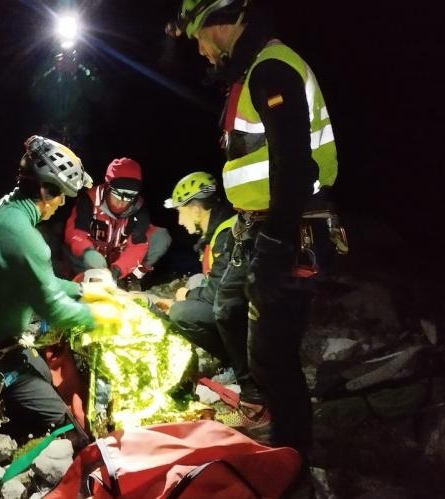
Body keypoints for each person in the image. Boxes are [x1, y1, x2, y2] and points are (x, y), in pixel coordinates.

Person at [168, 0, 340, 459]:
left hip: (288, 230)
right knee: (238, 320)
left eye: (198, 38)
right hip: (263, 226)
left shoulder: (271, 69)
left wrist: (276, 244)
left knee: (273, 354)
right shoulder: (254, 71)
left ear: (216, 21)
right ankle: (278, 428)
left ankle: (291, 453)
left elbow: (293, 164)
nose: (201, 52)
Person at [0, 135, 113, 449]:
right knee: (67, 429)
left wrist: (80, 290)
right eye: (62, 196)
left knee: (47, 378)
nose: (63, 204)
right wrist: (107, 318)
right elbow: (54, 310)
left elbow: (34, 282)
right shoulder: (22, 236)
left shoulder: (6, 214)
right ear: (46, 191)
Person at [162, 172, 242, 383]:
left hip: (245, 315)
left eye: (180, 212)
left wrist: (186, 295)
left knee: (180, 312)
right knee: (196, 281)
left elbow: (217, 293)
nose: (179, 221)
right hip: (238, 306)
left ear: (196, 210)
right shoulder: (219, 230)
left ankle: (239, 364)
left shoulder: (226, 235)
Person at [64, 157, 171, 289]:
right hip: (92, 256)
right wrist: (87, 251)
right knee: (72, 254)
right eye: (117, 194)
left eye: (129, 196)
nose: (122, 202)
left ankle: (131, 279)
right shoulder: (90, 200)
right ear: (108, 187)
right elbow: (75, 232)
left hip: (118, 257)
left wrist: (117, 270)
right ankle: (78, 277)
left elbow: (137, 246)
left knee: (161, 237)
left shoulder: (139, 209)